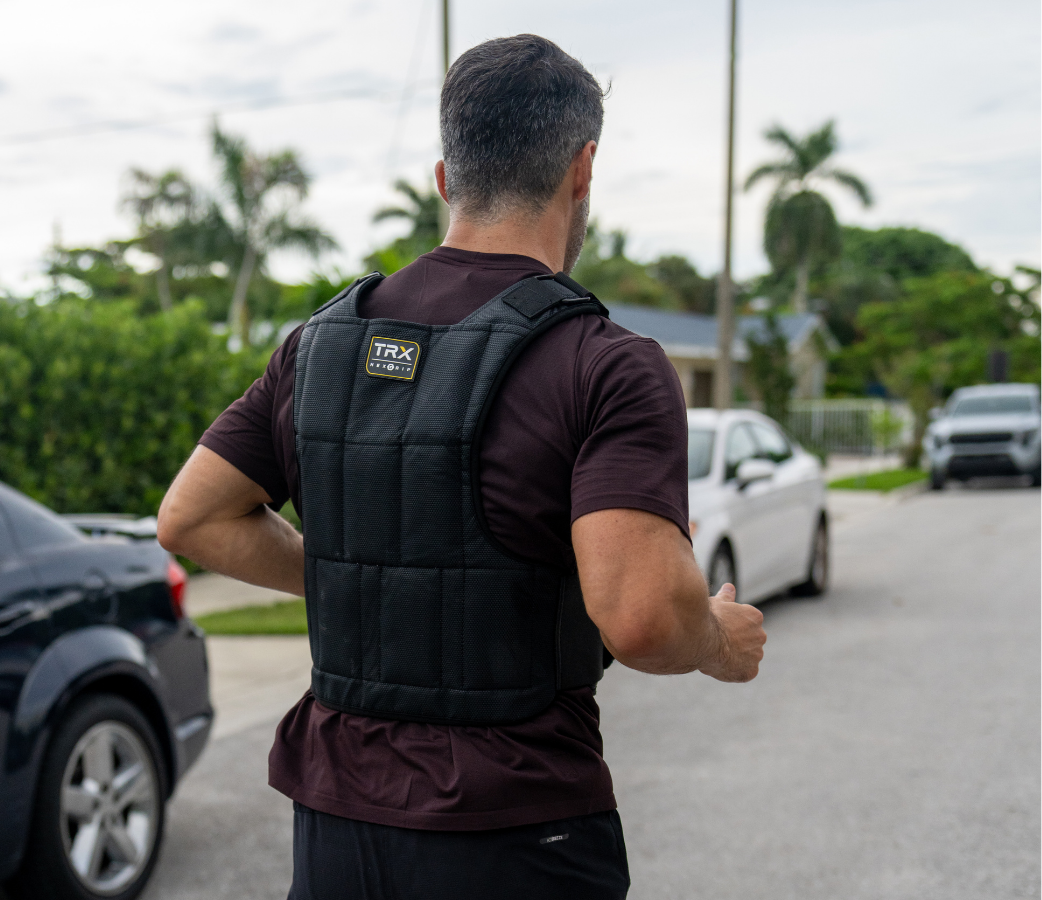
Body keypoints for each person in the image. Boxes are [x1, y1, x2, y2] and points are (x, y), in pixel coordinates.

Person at [157, 33, 766, 900]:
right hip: (516, 831)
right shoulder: (607, 363)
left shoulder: (317, 347)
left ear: (446, 176)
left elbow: (193, 520)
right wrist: (716, 640)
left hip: (337, 829)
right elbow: (640, 621)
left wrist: (371, 578)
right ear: (583, 169)